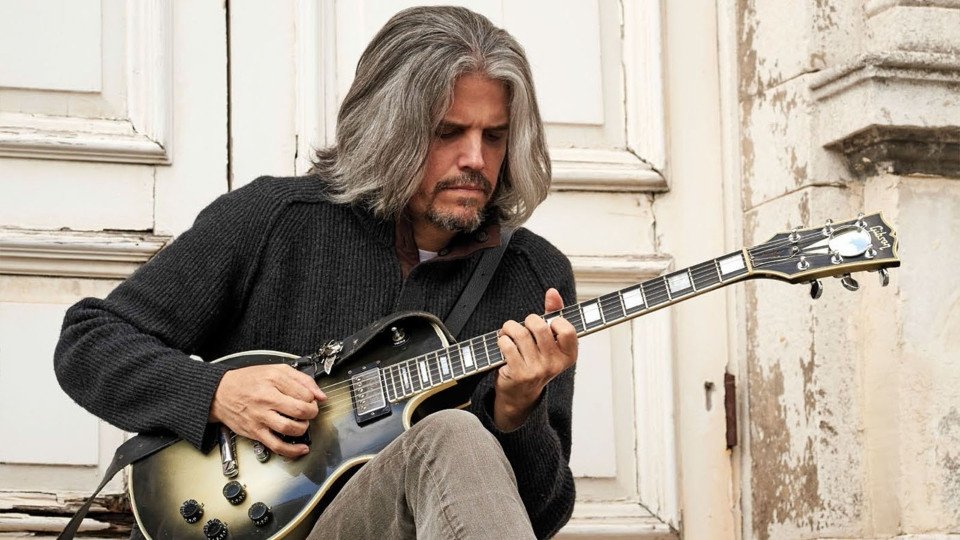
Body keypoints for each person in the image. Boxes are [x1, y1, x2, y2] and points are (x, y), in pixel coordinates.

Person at [55, 6, 579, 539]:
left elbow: (539, 516)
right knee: (455, 432)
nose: (476, 159)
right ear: (387, 128)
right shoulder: (274, 218)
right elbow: (89, 341)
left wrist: (518, 412)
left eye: (494, 137)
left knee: (454, 433)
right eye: (449, 132)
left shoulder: (534, 274)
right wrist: (216, 392)